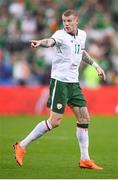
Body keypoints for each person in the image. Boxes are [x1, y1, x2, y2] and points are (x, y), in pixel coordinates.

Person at [13, 9, 105, 170]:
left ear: (77, 21)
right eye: (64, 21)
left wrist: (96, 65)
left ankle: (85, 159)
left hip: (74, 83)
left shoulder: (82, 35)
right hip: (60, 83)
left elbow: (81, 51)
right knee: (54, 122)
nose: (66, 24)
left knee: (84, 118)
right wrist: (40, 42)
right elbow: (50, 42)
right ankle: (21, 145)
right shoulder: (60, 35)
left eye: (69, 21)